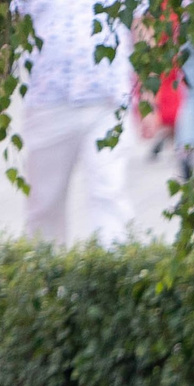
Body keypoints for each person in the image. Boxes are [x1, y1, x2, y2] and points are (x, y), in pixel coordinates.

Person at [16, 0, 136, 244]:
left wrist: (150, 87)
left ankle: (113, 273)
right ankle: (43, 276)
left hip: (108, 98)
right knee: (43, 204)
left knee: (109, 194)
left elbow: (142, 17)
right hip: (48, 99)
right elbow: (10, 26)